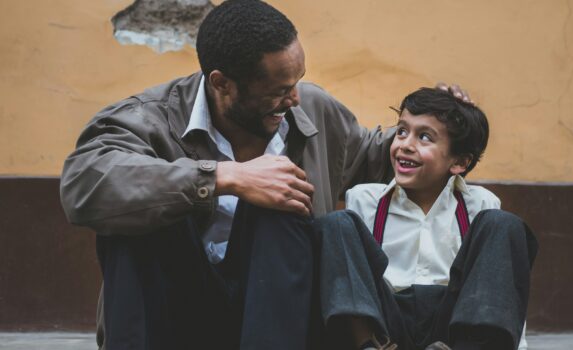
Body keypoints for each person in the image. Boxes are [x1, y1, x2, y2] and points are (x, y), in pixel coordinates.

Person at [60, 0, 471, 349]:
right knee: (139, 218)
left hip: (284, 319)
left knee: (283, 200)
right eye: (278, 89)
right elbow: (85, 183)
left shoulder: (311, 108)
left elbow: (372, 157)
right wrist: (224, 177)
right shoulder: (148, 119)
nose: (293, 99)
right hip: (178, 314)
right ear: (222, 83)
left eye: (297, 82)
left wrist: (438, 131)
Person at [316, 88, 538, 350]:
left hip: (452, 330)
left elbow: (496, 289)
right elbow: (353, 284)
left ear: (459, 162)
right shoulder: (365, 199)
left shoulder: (479, 205)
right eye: (401, 131)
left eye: (424, 137)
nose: (405, 145)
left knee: (504, 224)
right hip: (385, 328)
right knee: (336, 223)